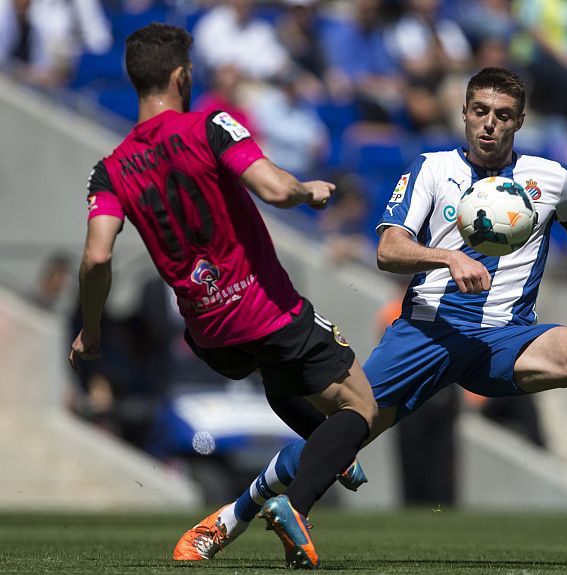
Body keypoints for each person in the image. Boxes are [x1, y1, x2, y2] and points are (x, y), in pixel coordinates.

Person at [184, 67, 567, 559]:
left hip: (506, 338)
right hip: (428, 333)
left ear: (519, 121)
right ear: (465, 114)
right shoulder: (433, 168)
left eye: (502, 113)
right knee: (339, 434)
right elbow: (388, 249)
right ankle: (231, 519)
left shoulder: (554, 180)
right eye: (480, 110)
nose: (490, 122)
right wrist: (447, 257)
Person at [68, 23, 377, 569]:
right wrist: (310, 191)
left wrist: (91, 330)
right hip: (264, 307)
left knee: (283, 378)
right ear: (181, 76)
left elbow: (96, 258)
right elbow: (275, 189)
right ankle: (299, 502)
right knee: (362, 407)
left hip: (209, 333)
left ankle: (329, 454)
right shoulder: (209, 124)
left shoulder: (108, 170)